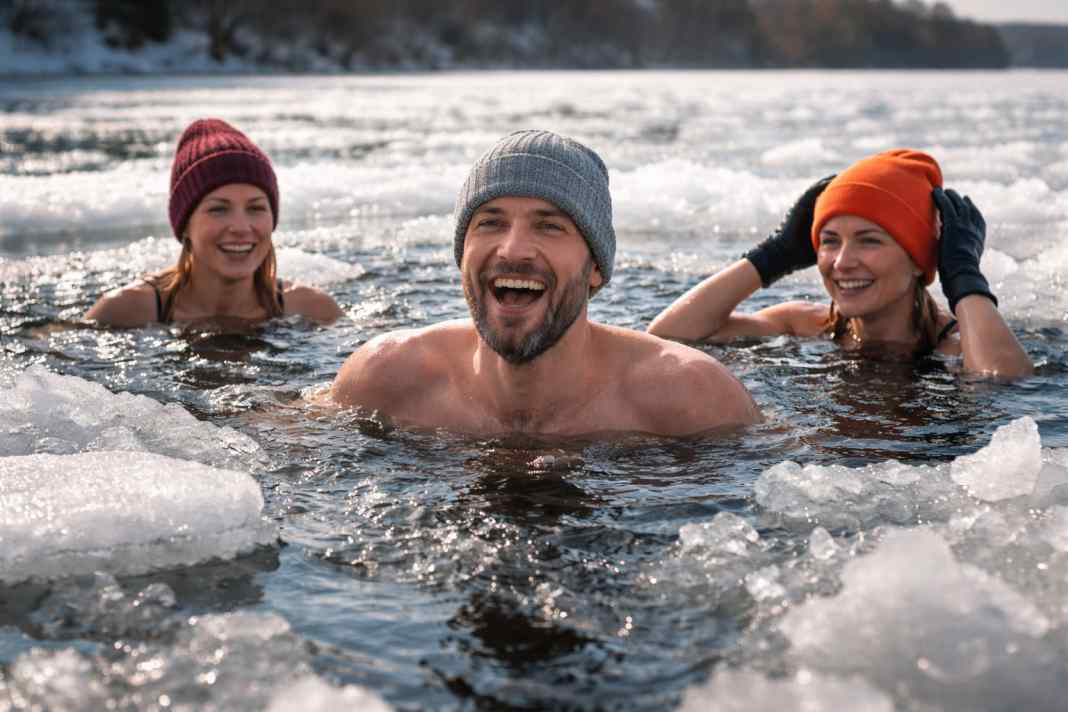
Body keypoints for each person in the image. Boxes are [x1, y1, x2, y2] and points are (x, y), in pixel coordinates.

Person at [330, 130, 761, 436]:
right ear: (462, 254)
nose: (513, 249)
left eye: (549, 227)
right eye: (490, 223)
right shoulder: (384, 379)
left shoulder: (692, 400)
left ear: (595, 267)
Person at [647, 149, 1033, 379]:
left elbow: (1002, 384)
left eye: (869, 241)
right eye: (829, 241)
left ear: (918, 259)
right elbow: (670, 337)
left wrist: (964, 278)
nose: (842, 262)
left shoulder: (956, 347)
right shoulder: (804, 325)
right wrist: (771, 257)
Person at [85, 119, 342, 327]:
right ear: (185, 224)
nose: (241, 227)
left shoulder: (314, 309)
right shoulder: (124, 311)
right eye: (218, 209)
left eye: (256, 208)